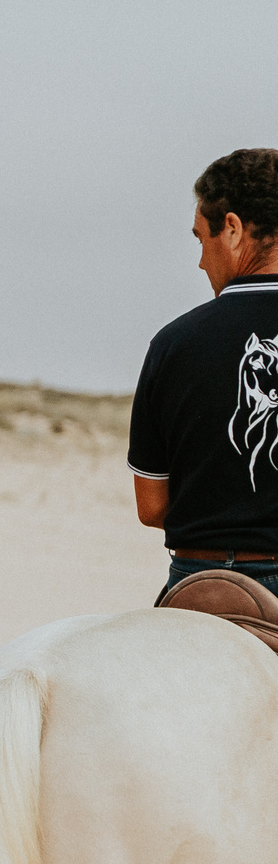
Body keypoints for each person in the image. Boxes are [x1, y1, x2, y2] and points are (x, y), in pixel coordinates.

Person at [131, 149, 278, 600]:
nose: (200, 262)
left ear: (231, 228)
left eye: (200, 239)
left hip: (198, 579)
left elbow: (151, 506)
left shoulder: (173, 344)